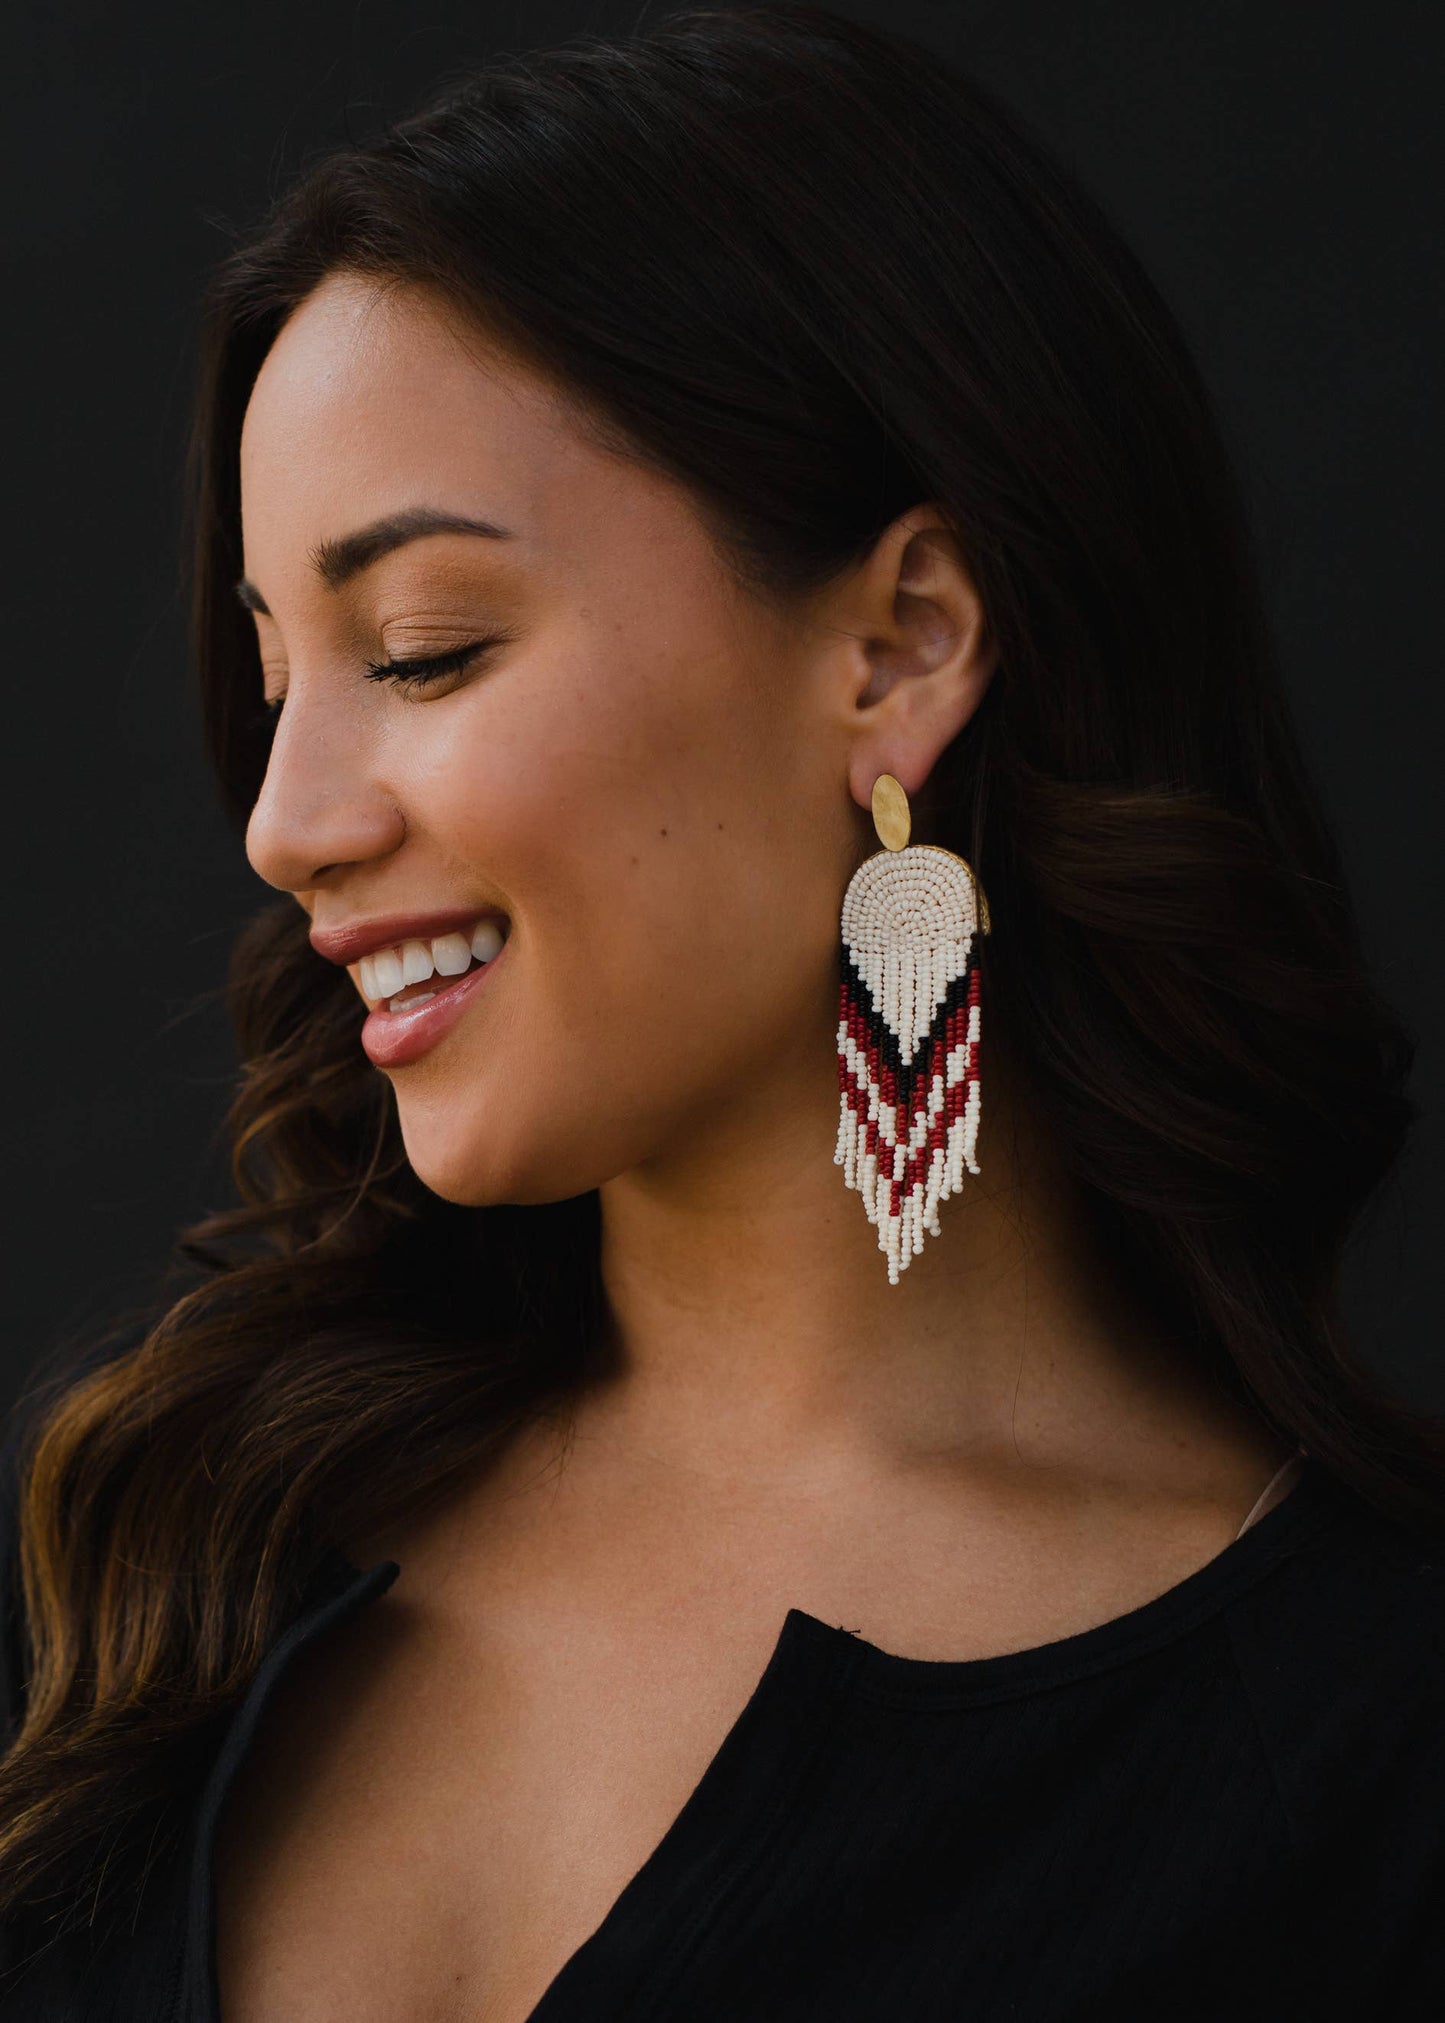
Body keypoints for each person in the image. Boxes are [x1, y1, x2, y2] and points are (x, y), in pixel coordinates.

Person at [2, 5, 1442, 2017]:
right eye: (273, 676)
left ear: (900, 645)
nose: (285, 821)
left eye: (424, 648)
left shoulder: (1368, 1773)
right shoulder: (185, 1556)